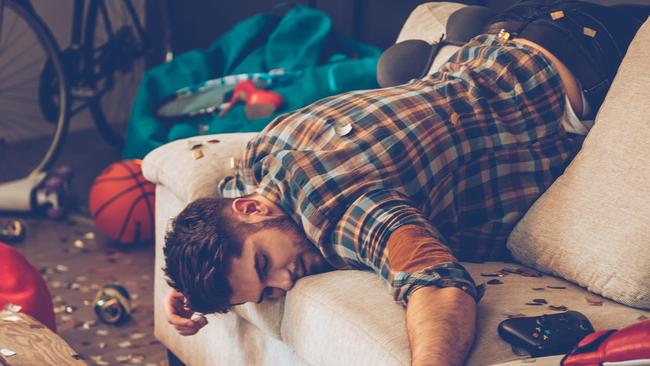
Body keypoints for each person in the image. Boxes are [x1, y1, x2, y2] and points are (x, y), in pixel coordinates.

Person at [162, 1, 646, 365]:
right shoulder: (264, 157)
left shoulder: (337, 207)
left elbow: (437, 285)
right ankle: (442, 55)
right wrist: (193, 284)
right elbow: (223, 202)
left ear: (252, 211)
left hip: (584, 54)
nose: (284, 282)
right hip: (510, 35)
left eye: (265, 264)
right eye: (265, 290)